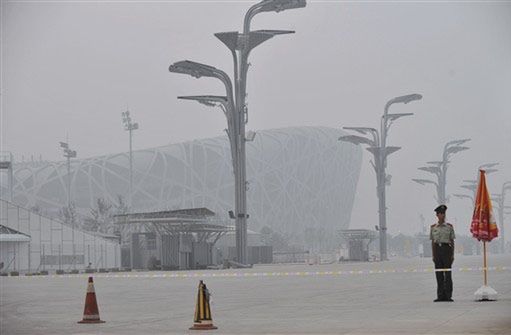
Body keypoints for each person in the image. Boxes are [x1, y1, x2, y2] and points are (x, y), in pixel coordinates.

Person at [430, 204, 455, 302]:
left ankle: (448, 295)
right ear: (437, 215)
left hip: (446, 250)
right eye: (440, 213)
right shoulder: (433, 227)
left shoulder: (449, 227)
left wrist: (452, 255)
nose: (442, 215)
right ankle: (440, 295)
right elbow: (432, 242)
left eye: (443, 213)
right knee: (439, 274)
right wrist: (433, 255)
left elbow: (452, 241)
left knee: (448, 274)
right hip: (437, 250)